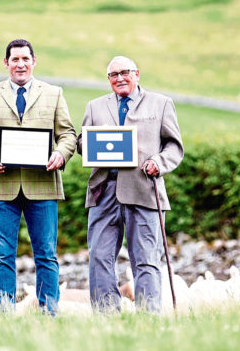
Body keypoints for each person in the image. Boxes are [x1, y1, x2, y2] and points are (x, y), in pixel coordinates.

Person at [0, 39, 77, 314]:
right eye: (15, 59)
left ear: (34, 61)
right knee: (2, 257)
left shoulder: (54, 93)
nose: (20, 64)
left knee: (47, 255)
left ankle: (49, 313)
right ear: (6, 63)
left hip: (43, 186)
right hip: (1, 187)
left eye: (25, 59)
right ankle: (4, 314)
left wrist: (61, 155)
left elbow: (68, 135)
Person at [77, 56, 184, 313]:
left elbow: (174, 146)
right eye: (113, 75)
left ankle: (149, 317)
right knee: (100, 258)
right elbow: (82, 142)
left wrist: (159, 162)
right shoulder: (95, 106)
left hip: (144, 190)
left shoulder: (161, 103)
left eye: (124, 72)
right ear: (108, 79)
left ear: (137, 74)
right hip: (104, 192)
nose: (119, 78)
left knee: (146, 259)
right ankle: (106, 316)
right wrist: (90, 145)